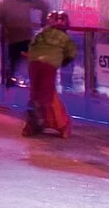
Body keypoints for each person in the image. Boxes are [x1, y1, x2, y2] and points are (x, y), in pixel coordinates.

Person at [23, 9, 76, 137]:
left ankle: (32, 124)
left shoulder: (42, 33)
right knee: (47, 94)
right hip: (49, 65)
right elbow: (71, 54)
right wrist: (62, 62)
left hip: (33, 63)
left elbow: (32, 46)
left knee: (35, 92)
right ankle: (59, 124)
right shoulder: (65, 38)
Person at [0, 0, 45, 88]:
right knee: (28, 62)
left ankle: (10, 86)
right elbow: (43, 5)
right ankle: (33, 85)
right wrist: (43, 21)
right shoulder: (25, 1)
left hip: (13, 38)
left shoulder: (4, 5)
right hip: (25, 37)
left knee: (13, 62)